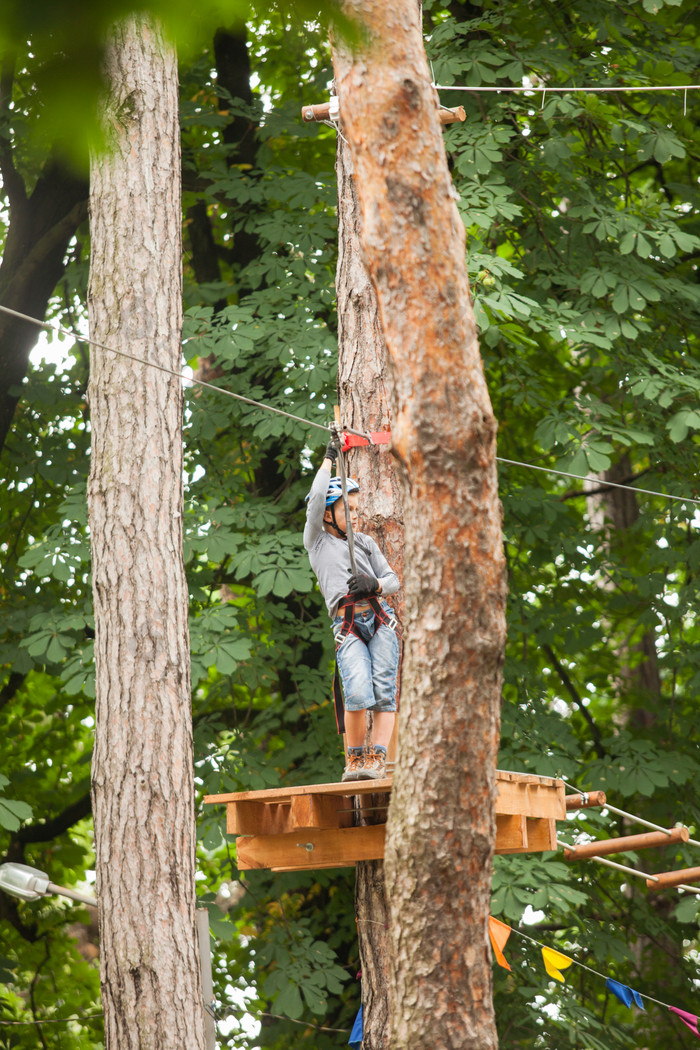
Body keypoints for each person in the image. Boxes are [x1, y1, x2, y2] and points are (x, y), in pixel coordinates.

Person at [304, 441, 400, 783]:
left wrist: (373, 585)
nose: (356, 516)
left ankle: (376, 759)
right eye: (349, 510)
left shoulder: (365, 543)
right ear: (329, 514)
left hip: (379, 620)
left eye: (357, 510)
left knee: (383, 693)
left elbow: (393, 580)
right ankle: (355, 759)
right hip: (347, 626)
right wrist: (329, 461)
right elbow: (315, 500)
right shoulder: (317, 541)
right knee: (357, 692)